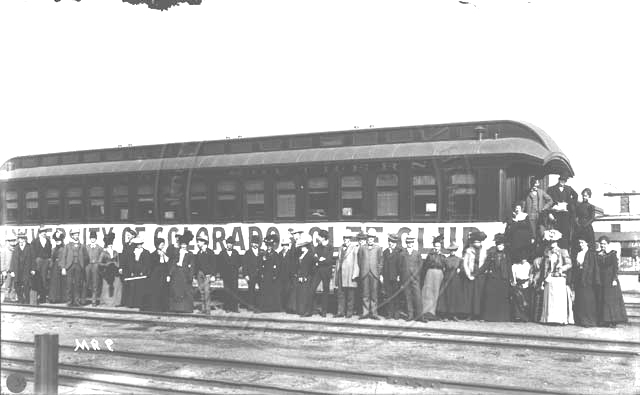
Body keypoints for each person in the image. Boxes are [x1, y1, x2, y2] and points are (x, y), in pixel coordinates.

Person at [540, 230, 574, 325]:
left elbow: (569, 264)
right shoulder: (547, 252)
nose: (552, 244)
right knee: (550, 299)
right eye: (550, 242)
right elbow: (545, 266)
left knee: (558, 299)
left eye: (553, 242)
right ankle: (549, 319)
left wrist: (561, 269)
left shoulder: (563, 251)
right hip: (550, 277)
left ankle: (560, 319)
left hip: (559, 278)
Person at [596, 236, 628, 327]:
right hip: (601, 280)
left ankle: (613, 320)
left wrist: (614, 279)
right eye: (601, 244)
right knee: (602, 299)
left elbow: (615, 267)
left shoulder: (612, 253)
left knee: (611, 300)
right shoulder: (597, 254)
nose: (603, 246)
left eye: (604, 244)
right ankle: (604, 320)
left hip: (610, 279)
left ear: (608, 244)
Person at [479, 234, 511, 321]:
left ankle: (502, 317)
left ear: (504, 246)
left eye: (501, 245)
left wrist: (511, 279)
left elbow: (509, 268)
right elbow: (485, 266)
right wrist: (477, 273)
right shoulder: (492, 255)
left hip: (503, 278)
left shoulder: (507, 255)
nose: (500, 247)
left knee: (503, 298)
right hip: (493, 278)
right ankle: (490, 317)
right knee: (491, 297)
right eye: (498, 245)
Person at [546, 172, 579, 251]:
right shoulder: (551, 189)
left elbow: (576, 196)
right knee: (556, 232)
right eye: (561, 180)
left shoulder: (569, 188)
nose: (563, 182)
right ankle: (555, 251)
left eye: (564, 180)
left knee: (565, 233)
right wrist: (554, 204)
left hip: (565, 215)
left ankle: (565, 251)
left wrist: (569, 203)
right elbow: (548, 200)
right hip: (556, 214)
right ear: (559, 180)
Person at [572, 237, 600, 327]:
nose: (581, 245)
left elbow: (593, 267)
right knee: (581, 299)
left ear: (587, 243)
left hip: (588, 279)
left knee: (588, 300)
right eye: (580, 243)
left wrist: (591, 279)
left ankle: (589, 320)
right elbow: (576, 266)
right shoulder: (579, 253)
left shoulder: (591, 253)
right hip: (579, 277)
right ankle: (581, 320)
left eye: (583, 243)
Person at [436, 242, 465, 320]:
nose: (453, 252)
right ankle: (446, 315)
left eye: (454, 250)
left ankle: (454, 314)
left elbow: (461, 269)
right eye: (451, 250)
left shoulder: (459, 259)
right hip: (447, 279)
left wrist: (459, 270)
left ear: (456, 250)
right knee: (447, 296)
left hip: (456, 280)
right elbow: (444, 268)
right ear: (449, 251)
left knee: (454, 297)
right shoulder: (446, 259)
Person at [358, 229, 383, 319]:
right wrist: (362, 270)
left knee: (374, 295)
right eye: (369, 237)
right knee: (365, 294)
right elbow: (359, 260)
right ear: (367, 238)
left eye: (372, 237)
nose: (370, 239)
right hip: (365, 273)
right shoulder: (362, 248)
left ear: (374, 238)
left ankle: (374, 313)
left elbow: (380, 261)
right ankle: (365, 313)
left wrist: (378, 272)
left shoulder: (378, 248)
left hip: (374, 274)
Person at [463, 231, 488, 319]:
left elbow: (486, 263)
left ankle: (479, 314)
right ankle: (470, 314)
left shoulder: (484, 250)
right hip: (472, 272)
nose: (477, 244)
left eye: (478, 242)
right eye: (475, 242)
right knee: (471, 294)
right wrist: (468, 274)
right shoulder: (469, 250)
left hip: (481, 274)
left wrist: (484, 272)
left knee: (480, 294)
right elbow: (465, 263)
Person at [421, 235, 446, 321]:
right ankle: (427, 312)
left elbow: (444, 266)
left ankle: (435, 312)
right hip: (430, 273)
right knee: (428, 292)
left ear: (440, 247)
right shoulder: (430, 255)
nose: (436, 248)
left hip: (439, 274)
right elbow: (425, 266)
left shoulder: (443, 256)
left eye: (438, 246)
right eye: (435, 246)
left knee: (437, 292)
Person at [168, 230, 195, 313]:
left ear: (187, 246)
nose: (183, 246)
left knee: (185, 290)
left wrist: (190, 276)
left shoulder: (190, 254)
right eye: (182, 245)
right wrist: (169, 274)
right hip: (177, 273)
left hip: (185, 273)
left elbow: (192, 266)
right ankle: (175, 308)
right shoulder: (177, 252)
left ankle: (186, 308)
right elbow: (173, 263)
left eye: (185, 245)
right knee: (176, 289)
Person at [334, 233, 360, 318]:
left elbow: (356, 261)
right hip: (341, 274)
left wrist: (355, 274)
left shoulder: (354, 248)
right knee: (341, 294)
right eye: (344, 237)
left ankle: (349, 313)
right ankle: (340, 312)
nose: (346, 239)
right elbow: (338, 261)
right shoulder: (340, 248)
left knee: (350, 295)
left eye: (347, 238)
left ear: (350, 239)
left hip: (350, 274)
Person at [61, 229, 88, 307]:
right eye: (75, 235)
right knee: (69, 284)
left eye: (77, 234)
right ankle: (69, 301)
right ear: (72, 236)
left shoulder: (82, 246)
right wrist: (63, 267)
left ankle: (76, 301)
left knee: (77, 284)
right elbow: (64, 257)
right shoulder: (67, 246)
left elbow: (86, 257)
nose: (76, 236)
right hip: (70, 266)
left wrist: (82, 264)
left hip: (78, 266)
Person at [523, 178, 554, 245]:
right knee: (532, 235)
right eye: (533, 184)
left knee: (541, 233)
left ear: (538, 184)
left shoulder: (541, 192)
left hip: (540, 216)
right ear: (531, 184)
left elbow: (550, 201)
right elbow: (523, 203)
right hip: (530, 216)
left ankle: (540, 251)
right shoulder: (526, 193)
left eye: (536, 184)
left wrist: (544, 208)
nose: (535, 185)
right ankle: (532, 252)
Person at [257, 234, 283, 312]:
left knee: (272, 292)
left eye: (270, 246)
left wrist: (275, 275)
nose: (269, 247)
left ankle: (272, 308)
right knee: (264, 292)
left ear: (272, 246)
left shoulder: (275, 254)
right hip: (265, 275)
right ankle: (264, 307)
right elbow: (260, 265)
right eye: (267, 246)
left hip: (272, 276)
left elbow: (278, 266)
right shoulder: (263, 254)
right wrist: (261, 273)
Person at [311, 230, 333, 317]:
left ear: (323, 238)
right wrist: (320, 259)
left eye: (319, 236)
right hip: (318, 271)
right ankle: (314, 309)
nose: (318, 238)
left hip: (326, 272)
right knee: (312, 289)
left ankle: (324, 311)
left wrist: (319, 260)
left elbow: (329, 260)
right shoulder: (318, 246)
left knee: (325, 291)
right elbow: (315, 257)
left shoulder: (330, 247)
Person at [400, 235, 423, 321]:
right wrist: (402, 277)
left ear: (413, 243)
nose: (410, 244)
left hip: (415, 279)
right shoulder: (402, 253)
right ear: (406, 243)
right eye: (408, 242)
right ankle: (410, 315)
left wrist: (416, 275)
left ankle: (420, 316)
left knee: (417, 296)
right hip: (406, 279)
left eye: (411, 242)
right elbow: (400, 266)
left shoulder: (417, 253)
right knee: (408, 297)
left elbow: (420, 265)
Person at [9, 232, 35, 304]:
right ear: (18, 239)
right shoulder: (16, 248)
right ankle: (20, 299)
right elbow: (13, 260)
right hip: (17, 270)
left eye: (23, 239)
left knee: (26, 285)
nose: (21, 240)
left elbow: (33, 259)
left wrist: (33, 269)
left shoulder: (30, 247)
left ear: (25, 240)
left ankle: (27, 300)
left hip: (26, 269)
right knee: (17, 285)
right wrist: (12, 271)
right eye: (20, 239)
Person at [146, 237, 170, 312]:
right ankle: (156, 307)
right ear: (157, 245)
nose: (163, 246)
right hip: (156, 275)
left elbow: (167, 264)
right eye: (161, 244)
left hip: (163, 274)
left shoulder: (165, 254)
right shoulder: (153, 254)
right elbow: (152, 265)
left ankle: (163, 307)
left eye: (163, 244)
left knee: (164, 290)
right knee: (156, 290)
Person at [98, 232, 122, 307]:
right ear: (107, 246)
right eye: (109, 246)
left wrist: (115, 264)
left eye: (111, 245)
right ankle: (106, 302)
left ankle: (116, 302)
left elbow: (118, 263)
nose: (110, 247)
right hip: (107, 273)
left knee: (117, 285)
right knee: (106, 287)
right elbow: (99, 263)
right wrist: (107, 265)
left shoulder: (116, 252)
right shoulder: (103, 253)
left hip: (114, 272)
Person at [382, 233, 402, 319]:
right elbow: (383, 264)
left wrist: (399, 276)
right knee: (389, 296)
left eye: (393, 242)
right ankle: (390, 313)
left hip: (395, 277)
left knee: (396, 296)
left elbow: (401, 265)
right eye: (390, 241)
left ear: (396, 243)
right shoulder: (385, 252)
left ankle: (396, 313)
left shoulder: (399, 251)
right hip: (387, 277)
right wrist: (382, 275)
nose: (391, 243)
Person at [510, 248, 533, 322]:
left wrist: (529, 282)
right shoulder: (515, 266)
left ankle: (525, 316)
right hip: (518, 284)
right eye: (522, 258)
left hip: (526, 284)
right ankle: (517, 316)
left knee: (525, 301)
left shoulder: (529, 265)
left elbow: (530, 275)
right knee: (517, 300)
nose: (523, 260)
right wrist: (514, 283)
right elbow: (513, 276)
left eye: (525, 258)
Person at [294, 234, 315, 317]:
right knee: (301, 294)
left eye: (302, 246)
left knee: (306, 294)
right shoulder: (301, 254)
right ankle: (301, 310)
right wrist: (299, 275)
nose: (301, 248)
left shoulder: (310, 254)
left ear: (306, 246)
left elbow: (311, 267)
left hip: (307, 277)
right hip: (300, 276)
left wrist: (305, 276)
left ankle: (307, 311)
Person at [194, 233, 216, 311]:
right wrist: (195, 275)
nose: (197, 243)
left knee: (207, 292)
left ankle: (207, 310)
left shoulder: (210, 252)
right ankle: (203, 309)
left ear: (204, 242)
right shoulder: (198, 253)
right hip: (200, 274)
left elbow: (214, 264)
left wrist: (213, 275)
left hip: (207, 275)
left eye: (199, 241)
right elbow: (196, 265)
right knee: (201, 292)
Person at [130, 236, 151, 309]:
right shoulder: (133, 251)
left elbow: (147, 263)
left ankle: (140, 303)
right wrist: (132, 271)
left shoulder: (146, 252)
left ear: (142, 243)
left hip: (142, 272)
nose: (139, 245)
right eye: (137, 244)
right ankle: (133, 303)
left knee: (141, 288)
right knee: (134, 287)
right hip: (135, 271)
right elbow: (132, 262)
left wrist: (143, 271)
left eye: (140, 244)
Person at [31, 228, 52, 303]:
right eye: (42, 232)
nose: (44, 233)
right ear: (39, 233)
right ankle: (36, 296)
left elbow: (49, 252)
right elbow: (32, 253)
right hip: (38, 261)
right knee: (36, 278)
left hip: (45, 261)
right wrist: (35, 262)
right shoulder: (34, 241)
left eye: (45, 232)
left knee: (44, 278)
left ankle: (43, 297)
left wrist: (48, 260)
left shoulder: (48, 241)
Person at [242, 235, 261, 312]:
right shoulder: (248, 252)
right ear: (251, 244)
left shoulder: (261, 252)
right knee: (251, 291)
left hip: (259, 275)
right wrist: (246, 275)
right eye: (254, 243)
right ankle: (250, 306)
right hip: (251, 275)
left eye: (257, 243)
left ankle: (259, 305)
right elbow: (245, 265)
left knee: (260, 290)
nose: (255, 244)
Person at [119, 228, 137, 307]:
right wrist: (121, 267)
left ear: (133, 236)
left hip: (132, 268)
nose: (128, 236)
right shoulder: (125, 245)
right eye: (127, 235)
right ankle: (124, 302)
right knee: (125, 284)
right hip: (126, 268)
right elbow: (123, 257)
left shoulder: (135, 245)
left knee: (132, 285)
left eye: (129, 235)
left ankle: (131, 303)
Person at [278, 238, 297, 314]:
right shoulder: (280, 254)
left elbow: (292, 265)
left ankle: (287, 307)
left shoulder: (290, 254)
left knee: (288, 291)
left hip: (288, 276)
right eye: (283, 245)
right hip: (281, 276)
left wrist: (292, 274)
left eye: (286, 245)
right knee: (282, 291)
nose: (284, 247)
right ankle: (282, 306)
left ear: (288, 245)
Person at [85, 231, 104, 306]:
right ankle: (84, 299)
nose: (93, 239)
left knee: (95, 283)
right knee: (86, 282)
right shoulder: (86, 247)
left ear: (96, 239)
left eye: (94, 238)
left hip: (95, 266)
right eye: (91, 238)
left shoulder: (99, 248)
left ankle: (94, 300)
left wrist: (98, 263)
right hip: (88, 266)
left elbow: (101, 257)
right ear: (90, 239)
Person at [48, 230, 66, 303]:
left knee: (62, 282)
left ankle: (62, 298)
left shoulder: (64, 248)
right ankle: (53, 298)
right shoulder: (54, 249)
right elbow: (52, 258)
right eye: (56, 240)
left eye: (59, 240)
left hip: (61, 266)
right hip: (54, 267)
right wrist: (50, 265)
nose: (58, 242)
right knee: (54, 283)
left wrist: (63, 267)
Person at [2, 236, 18, 302]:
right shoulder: (4, 250)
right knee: (8, 284)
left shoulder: (16, 250)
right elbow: (2, 260)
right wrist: (3, 270)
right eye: (11, 241)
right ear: (8, 242)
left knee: (14, 285)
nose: (13, 242)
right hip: (8, 270)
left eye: (14, 241)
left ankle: (12, 297)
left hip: (15, 270)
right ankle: (6, 297)